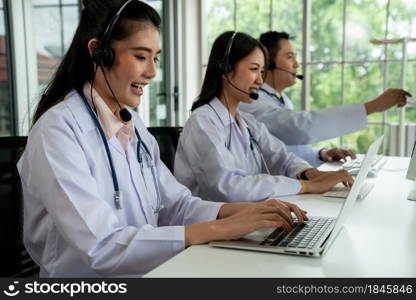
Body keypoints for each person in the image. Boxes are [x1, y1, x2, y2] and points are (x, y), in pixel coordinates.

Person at [17, 0, 309, 278]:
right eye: (141, 57)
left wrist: (245, 212)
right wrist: (221, 229)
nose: (153, 72)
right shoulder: (58, 131)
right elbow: (102, 247)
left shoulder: (133, 125)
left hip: (153, 273)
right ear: (98, 53)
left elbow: (177, 205)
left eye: (155, 58)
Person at [174, 31, 353, 204]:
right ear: (226, 69)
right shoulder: (202, 122)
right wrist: (306, 186)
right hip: (214, 228)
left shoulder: (247, 122)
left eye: (262, 71)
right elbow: (229, 187)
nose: (260, 80)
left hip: (248, 218)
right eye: (254, 69)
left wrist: (312, 174)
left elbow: (283, 158)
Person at [239, 31, 411, 167]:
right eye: (290, 56)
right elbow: (297, 127)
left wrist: (320, 154)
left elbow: (288, 148)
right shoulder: (251, 101)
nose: (297, 64)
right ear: (268, 63)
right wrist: (372, 107)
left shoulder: (283, 99)